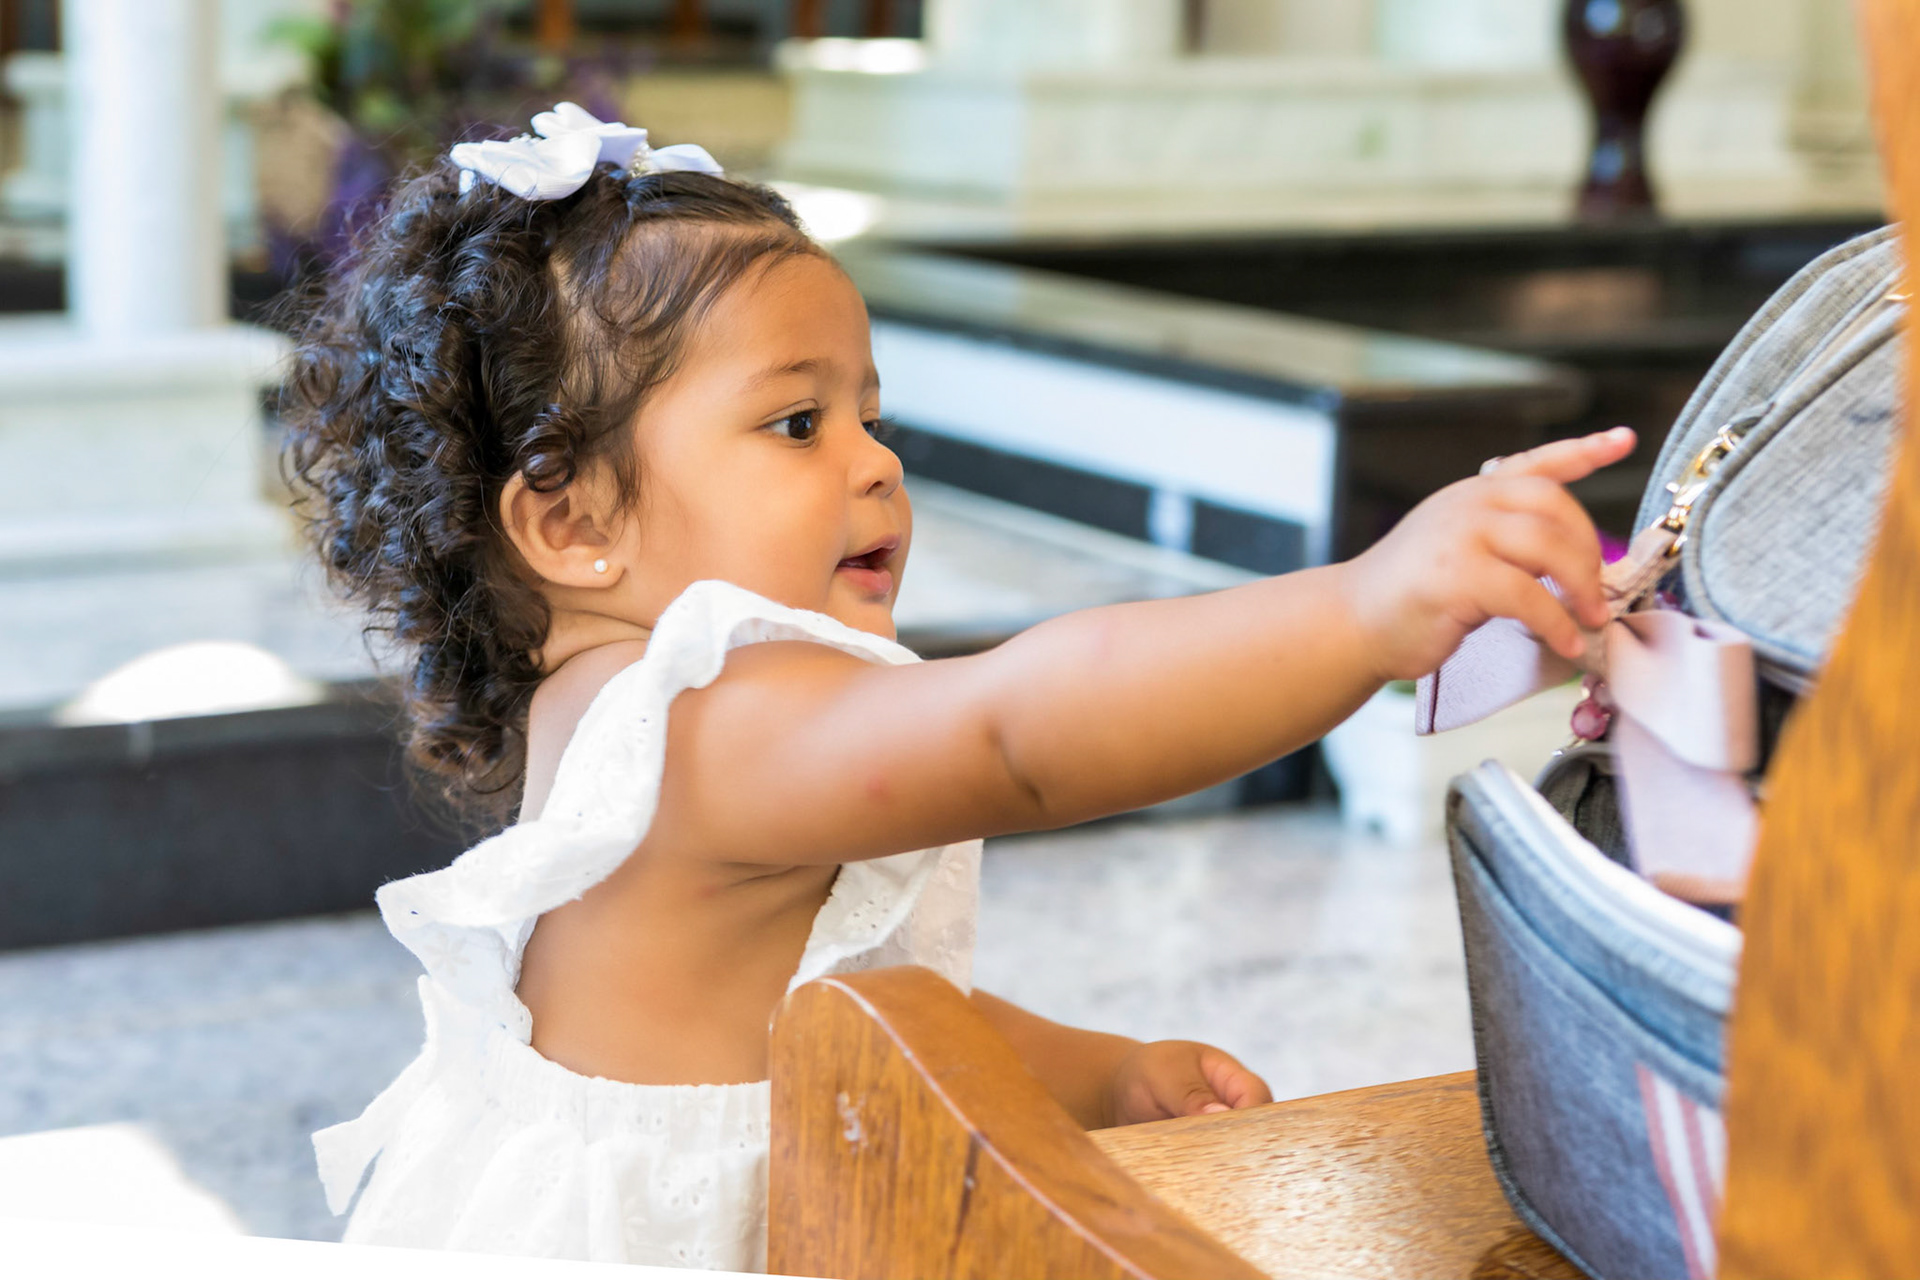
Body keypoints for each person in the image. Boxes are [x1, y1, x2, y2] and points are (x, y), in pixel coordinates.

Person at [283, 105, 1634, 1270]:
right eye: (798, 424)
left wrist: (1098, 1074)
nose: (875, 464)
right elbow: (1022, 731)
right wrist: (1361, 613)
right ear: (574, 522)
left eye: (872, 418)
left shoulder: (620, 706)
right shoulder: (699, 728)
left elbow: (841, 1027)